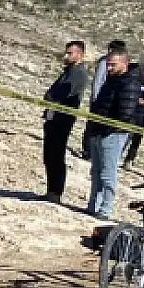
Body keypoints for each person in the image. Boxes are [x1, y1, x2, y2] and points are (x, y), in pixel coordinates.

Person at [85, 48, 141, 219]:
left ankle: (106, 208)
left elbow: (125, 112)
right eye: (108, 64)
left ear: (125, 63)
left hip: (113, 133)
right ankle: (93, 205)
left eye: (113, 65)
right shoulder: (112, 79)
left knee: (108, 173)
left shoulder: (130, 83)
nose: (108, 68)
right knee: (96, 171)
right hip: (99, 129)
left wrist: (106, 127)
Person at [41, 40, 90, 201]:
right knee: (49, 155)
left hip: (62, 119)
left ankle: (55, 192)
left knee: (56, 155)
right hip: (53, 116)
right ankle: (51, 190)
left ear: (80, 54)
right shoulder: (68, 71)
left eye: (70, 53)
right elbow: (50, 93)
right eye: (66, 52)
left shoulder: (79, 73)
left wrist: (52, 97)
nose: (66, 56)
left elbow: (61, 94)